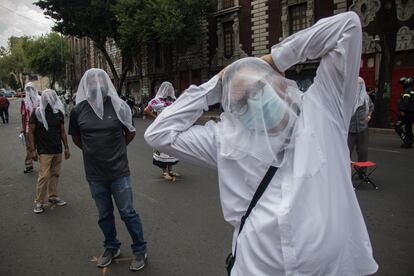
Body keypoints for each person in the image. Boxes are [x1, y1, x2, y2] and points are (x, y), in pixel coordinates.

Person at [145, 12, 378, 275]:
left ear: (279, 82)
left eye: (258, 89)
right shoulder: (226, 139)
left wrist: (275, 58)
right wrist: (215, 85)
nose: (253, 103)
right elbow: (159, 134)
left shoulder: (325, 108)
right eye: (241, 101)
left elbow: (348, 25)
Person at [68, 68, 147, 271]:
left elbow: (130, 132)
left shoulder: (118, 106)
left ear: (106, 84)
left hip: (119, 172)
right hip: (95, 175)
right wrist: (93, 152)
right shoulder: (79, 110)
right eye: (92, 83)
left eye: (100, 82)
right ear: (87, 86)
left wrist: (116, 151)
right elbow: (76, 137)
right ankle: (111, 247)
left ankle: (140, 249)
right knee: (104, 214)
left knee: (128, 213)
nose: (97, 86)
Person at [28, 89, 70, 214]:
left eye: (52, 97)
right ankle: (39, 202)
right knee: (44, 176)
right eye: (48, 97)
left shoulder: (58, 113)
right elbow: (31, 132)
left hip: (57, 149)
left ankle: (53, 197)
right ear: (44, 99)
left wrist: (66, 147)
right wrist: (32, 150)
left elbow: (62, 131)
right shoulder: (37, 113)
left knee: (55, 174)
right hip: (44, 150)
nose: (50, 99)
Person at [144, 82, 180, 180]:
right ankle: (164, 172)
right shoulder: (157, 101)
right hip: (161, 129)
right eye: (167, 88)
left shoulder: (174, 100)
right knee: (163, 148)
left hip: (172, 128)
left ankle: (170, 170)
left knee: (172, 148)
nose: (169, 90)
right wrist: (156, 117)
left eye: (171, 88)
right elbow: (146, 110)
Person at [348, 77, 374, 176]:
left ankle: (362, 172)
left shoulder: (366, 97)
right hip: (349, 129)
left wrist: (368, 116)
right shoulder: (348, 97)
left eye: (360, 85)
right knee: (346, 151)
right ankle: (345, 173)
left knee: (363, 151)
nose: (358, 86)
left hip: (362, 129)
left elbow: (371, 107)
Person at [21, 82, 40, 173]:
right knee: (31, 147)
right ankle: (29, 165)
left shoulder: (39, 99)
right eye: (28, 89)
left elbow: (24, 116)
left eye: (31, 89)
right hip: (33, 127)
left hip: (36, 127)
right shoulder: (25, 102)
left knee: (36, 145)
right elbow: (23, 116)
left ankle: (43, 164)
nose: (30, 91)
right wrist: (24, 129)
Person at [395, 76, 414, 148]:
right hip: (411, 113)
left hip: (406, 113)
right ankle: (410, 141)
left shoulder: (407, 91)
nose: (402, 85)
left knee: (397, 125)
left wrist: (402, 110)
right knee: (408, 126)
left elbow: (406, 102)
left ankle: (407, 140)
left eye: (403, 83)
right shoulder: (411, 90)